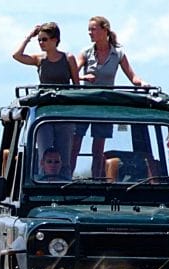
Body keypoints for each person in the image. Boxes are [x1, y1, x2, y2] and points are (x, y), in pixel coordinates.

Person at [70, 16, 149, 178]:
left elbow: (133, 76)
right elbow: (73, 74)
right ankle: (67, 177)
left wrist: (142, 84)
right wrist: (85, 78)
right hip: (85, 104)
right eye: (89, 29)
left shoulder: (118, 53)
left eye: (93, 29)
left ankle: (97, 180)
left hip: (105, 106)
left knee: (98, 148)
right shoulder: (86, 53)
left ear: (104, 30)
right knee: (75, 144)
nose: (89, 33)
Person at [13, 22, 78, 177]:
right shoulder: (39, 59)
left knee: (64, 156)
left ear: (55, 40)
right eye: (40, 40)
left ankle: (65, 185)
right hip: (45, 114)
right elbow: (17, 55)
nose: (41, 43)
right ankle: (42, 184)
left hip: (64, 113)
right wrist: (30, 35)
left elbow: (76, 86)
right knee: (45, 155)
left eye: (45, 39)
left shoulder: (68, 58)